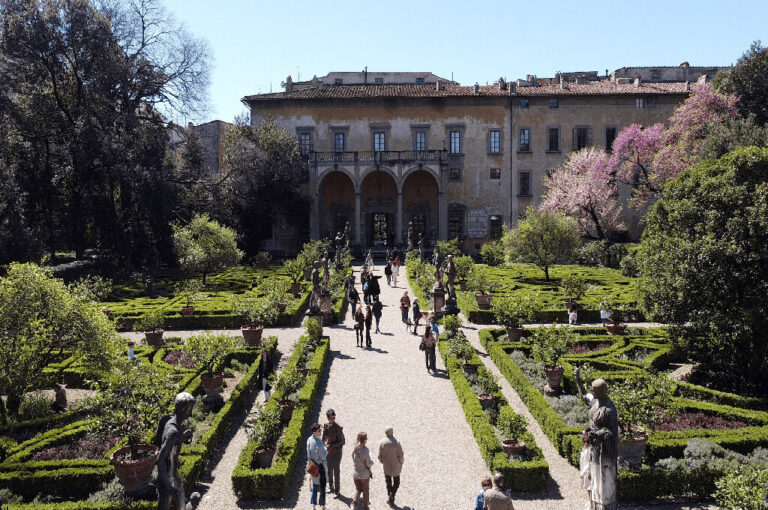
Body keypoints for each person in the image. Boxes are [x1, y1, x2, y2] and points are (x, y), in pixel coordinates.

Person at [574, 369, 619, 510]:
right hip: (595, 448)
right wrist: (578, 380)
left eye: (595, 390)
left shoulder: (609, 410)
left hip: (605, 453)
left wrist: (598, 434)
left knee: (604, 484)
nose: (592, 392)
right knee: (593, 478)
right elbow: (585, 395)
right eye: (592, 390)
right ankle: (595, 506)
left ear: (602, 391)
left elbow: (612, 432)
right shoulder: (595, 402)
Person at [158, 392, 199, 510]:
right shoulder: (173, 432)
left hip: (173, 474)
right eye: (189, 410)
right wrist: (169, 488)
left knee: (181, 504)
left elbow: (171, 442)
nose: (190, 414)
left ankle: (190, 505)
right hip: (167, 478)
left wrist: (183, 438)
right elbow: (160, 460)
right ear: (182, 409)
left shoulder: (170, 421)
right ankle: (191, 504)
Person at [378, 426, 404, 506]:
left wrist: (383, 462)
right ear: (392, 432)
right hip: (395, 466)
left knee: (388, 482)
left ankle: (390, 496)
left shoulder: (382, 442)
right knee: (397, 482)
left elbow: (379, 456)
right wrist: (401, 463)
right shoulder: (397, 443)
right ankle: (392, 496)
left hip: (386, 466)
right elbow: (401, 455)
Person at [322, 409, 345, 496]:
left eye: (334, 417)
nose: (333, 419)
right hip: (329, 451)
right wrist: (324, 442)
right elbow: (324, 437)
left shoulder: (338, 428)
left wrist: (330, 446)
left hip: (337, 452)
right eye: (331, 417)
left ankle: (337, 490)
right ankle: (331, 487)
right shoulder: (326, 426)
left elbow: (341, 442)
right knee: (329, 470)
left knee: (336, 471)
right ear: (328, 418)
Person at [306, 423, 328, 510]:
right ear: (314, 432)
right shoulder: (319, 443)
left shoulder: (309, 440)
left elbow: (308, 454)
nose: (321, 432)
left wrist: (310, 463)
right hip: (321, 466)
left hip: (313, 465)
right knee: (322, 487)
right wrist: (325, 448)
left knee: (315, 486)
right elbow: (323, 456)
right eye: (319, 430)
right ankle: (322, 506)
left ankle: (313, 506)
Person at [352, 431, 374, 510]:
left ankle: (355, 503)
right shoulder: (365, 450)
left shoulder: (355, 448)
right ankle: (365, 506)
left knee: (358, 489)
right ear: (365, 440)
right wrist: (372, 462)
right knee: (365, 491)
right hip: (364, 475)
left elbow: (354, 460)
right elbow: (368, 463)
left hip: (356, 473)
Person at [580, 427, 593, 510]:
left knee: (590, 488)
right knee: (588, 488)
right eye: (583, 434)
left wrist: (583, 472)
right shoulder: (585, 445)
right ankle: (591, 503)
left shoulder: (591, 447)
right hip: (584, 469)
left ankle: (592, 506)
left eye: (585, 434)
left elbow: (590, 462)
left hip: (589, 471)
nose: (583, 436)